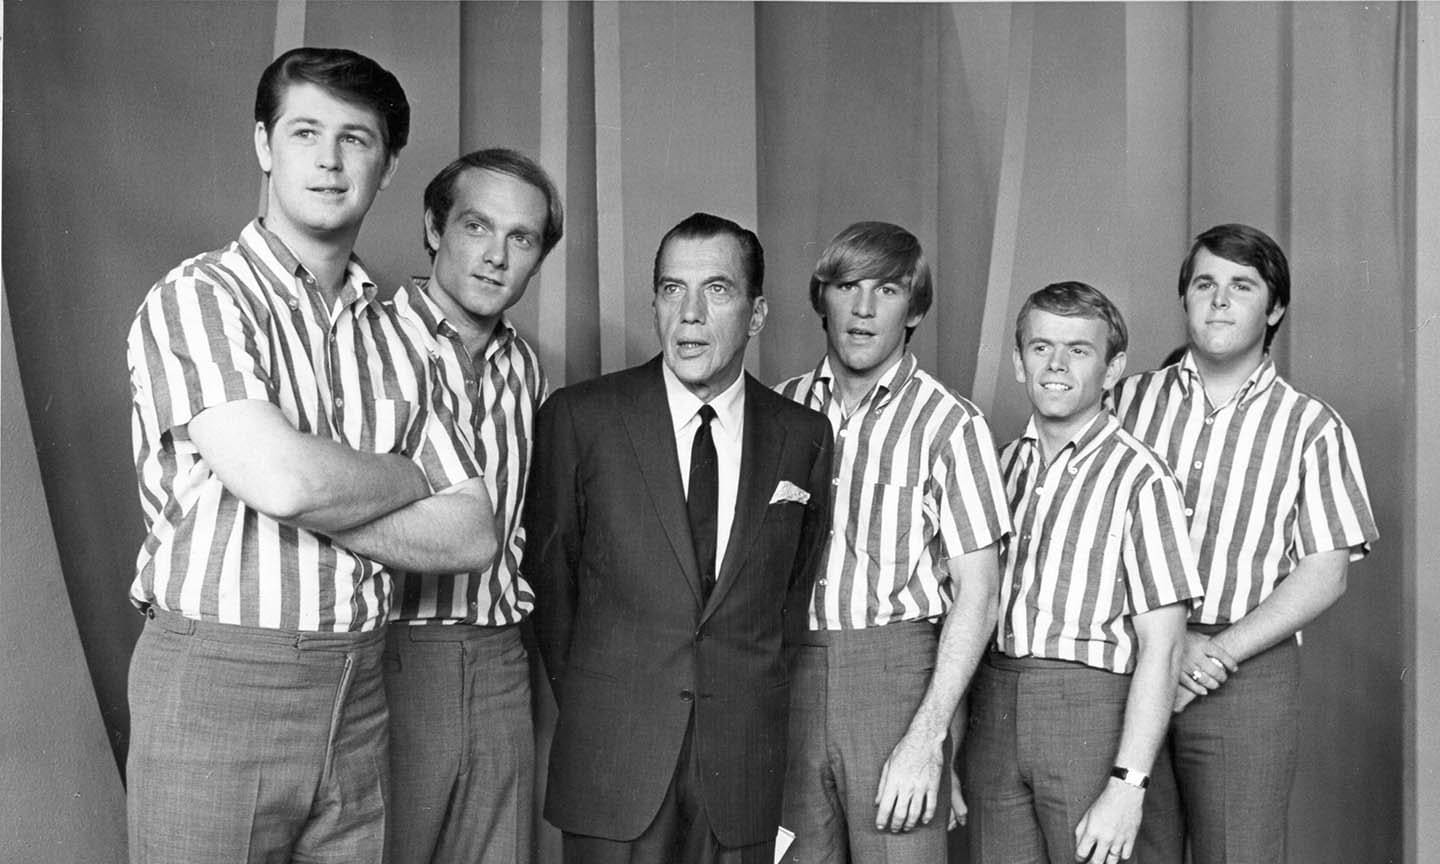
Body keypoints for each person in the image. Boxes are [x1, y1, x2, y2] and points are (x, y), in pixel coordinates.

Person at [124, 47, 496, 864]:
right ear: (264, 145)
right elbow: (283, 482)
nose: (329, 160)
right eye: (304, 132)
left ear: (388, 165)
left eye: (355, 139)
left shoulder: (400, 339)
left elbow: (474, 533)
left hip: (360, 688)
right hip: (221, 676)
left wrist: (306, 491)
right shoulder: (202, 297)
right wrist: (407, 476)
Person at [524, 212, 834, 864]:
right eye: (672, 289)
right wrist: (609, 706)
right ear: (656, 304)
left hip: (741, 775)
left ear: (756, 314)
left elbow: (788, 596)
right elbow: (553, 593)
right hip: (613, 767)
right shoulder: (581, 418)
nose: (689, 314)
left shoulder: (802, 436)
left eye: (716, 290)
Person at [1111, 224, 1379, 864]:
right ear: (1184, 298)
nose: (1220, 300)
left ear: (1275, 307)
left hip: (1245, 672)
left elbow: (1326, 572)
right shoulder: (1122, 402)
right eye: (1205, 284)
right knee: (1126, 848)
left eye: (1242, 286)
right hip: (1128, 657)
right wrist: (1168, 643)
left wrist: (1215, 652)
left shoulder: (1312, 426)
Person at [773, 222, 1010, 862]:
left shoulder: (950, 423)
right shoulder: (779, 408)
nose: (863, 308)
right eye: (847, 286)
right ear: (822, 298)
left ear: (915, 310)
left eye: (887, 290)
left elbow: (980, 594)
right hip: (789, 677)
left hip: (896, 680)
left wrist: (928, 738)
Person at [965, 281, 1203, 864]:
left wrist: (1129, 783)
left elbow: (1165, 648)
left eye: (1078, 350)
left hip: (1092, 713)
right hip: (995, 707)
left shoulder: (1141, 479)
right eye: (1041, 347)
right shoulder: (998, 468)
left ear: (1112, 368)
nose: (1056, 364)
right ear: (1018, 362)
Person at [383, 148, 563, 864]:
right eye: (476, 227)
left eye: (521, 239)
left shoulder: (526, 368)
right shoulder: (368, 341)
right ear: (434, 228)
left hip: (499, 658)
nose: (496, 256)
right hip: (391, 652)